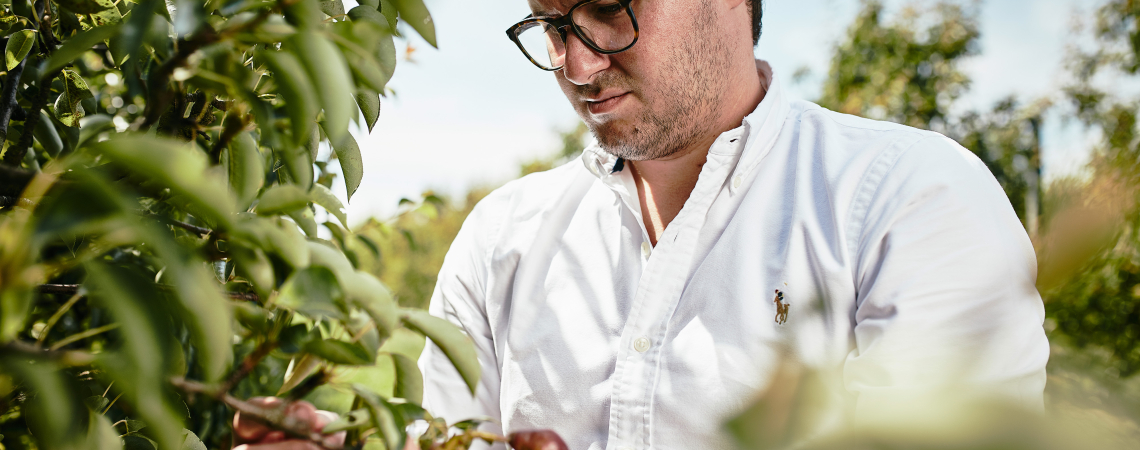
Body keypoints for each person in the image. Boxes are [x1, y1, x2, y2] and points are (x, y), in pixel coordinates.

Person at [242, 0, 1049, 448]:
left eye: (606, 9)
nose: (577, 64)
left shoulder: (908, 198)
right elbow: (449, 438)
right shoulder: (504, 237)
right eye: (552, 25)